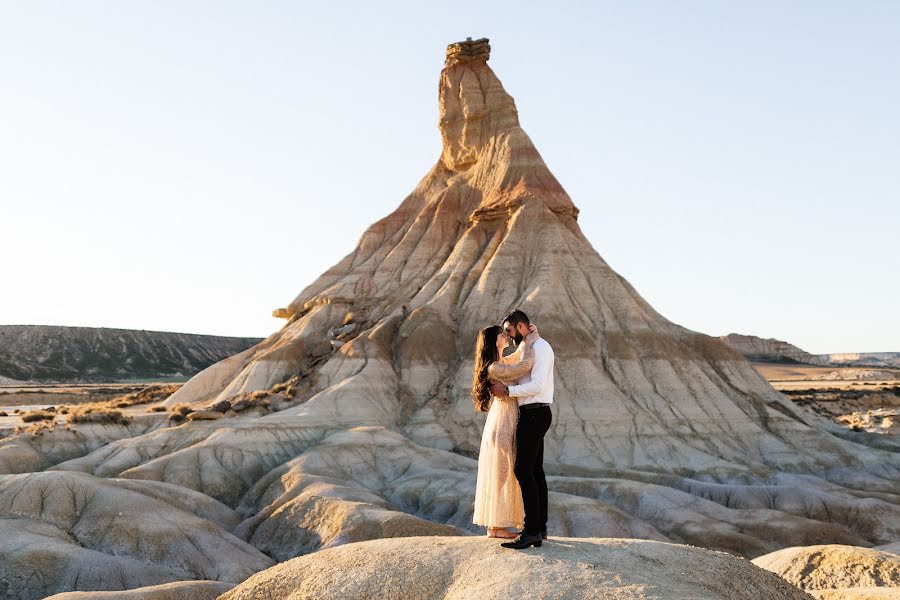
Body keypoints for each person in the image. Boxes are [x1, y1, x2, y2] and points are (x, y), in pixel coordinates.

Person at [490, 309, 554, 550]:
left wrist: (507, 392)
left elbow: (537, 385)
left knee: (522, 469)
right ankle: (539, 528)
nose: (508, 335)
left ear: (521, 326)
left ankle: (531, 531)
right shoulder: (526, 349)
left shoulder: (541, 348)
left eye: (509, 330)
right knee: (535, 470)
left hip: (536, 412)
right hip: (529, 413)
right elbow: (519, 377)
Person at [471, 322, 540, 539]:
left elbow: (517, 359)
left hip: (506, 420)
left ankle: (495, 526)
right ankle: (495, 527)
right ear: (495, 341)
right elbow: (523, 365)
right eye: (503, 335)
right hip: (503, 423)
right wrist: (528, 342)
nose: (506, 337)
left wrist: (527, 336)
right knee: (501, 474)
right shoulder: (494, 367)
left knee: (504, 473)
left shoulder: (501, 362)